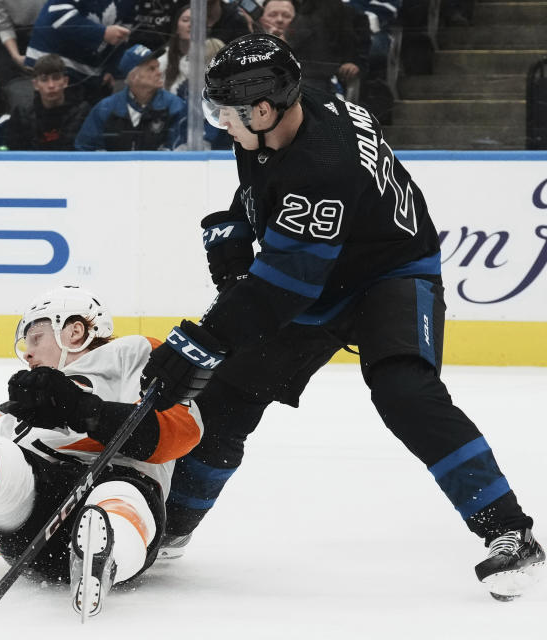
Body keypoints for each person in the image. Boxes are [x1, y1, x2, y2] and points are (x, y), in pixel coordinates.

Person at [139, 34, 545, 601]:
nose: (218, 124)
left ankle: (510, 533)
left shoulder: (324, 166)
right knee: (227, 398)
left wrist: (201, 340)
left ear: (262, 109)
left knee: (406, 390)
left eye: (225, 112)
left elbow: (282, 289)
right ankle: (167, 531)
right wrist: (240, 223)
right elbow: (270, 189)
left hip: (392, 273)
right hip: (324, 267)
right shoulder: (287, 116)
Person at [0, 285, 203, 617]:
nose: (28, 354)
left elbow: (181, 433)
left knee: (118, 497)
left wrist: (85, 410)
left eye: (35, 338)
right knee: (3, 459)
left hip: (120, 480)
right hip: (33, 532)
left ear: (75, 331)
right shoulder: (26, 404)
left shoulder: (132, 352)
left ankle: (103, 558)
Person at [74, 43, 186, 151]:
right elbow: (85, 147)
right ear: (133, 77)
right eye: (151, 69)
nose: (159, 73)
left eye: (158, 67)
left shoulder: (175, 106)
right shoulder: (105, 109)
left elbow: (180, 149)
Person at [24, 0, 137, 104]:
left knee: (87, 117)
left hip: (90, 68)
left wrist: (110, 68)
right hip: (54, 58)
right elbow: (58, 14)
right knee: (61, 116)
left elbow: (123, 33)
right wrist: (102, 33)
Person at [6, 53, 89, 151]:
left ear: (65, 81)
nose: (51, 85)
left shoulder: (81, 111)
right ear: (36, 84)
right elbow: (15, 152)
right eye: (44, 79)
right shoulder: (22, 113)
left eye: (56, 78)